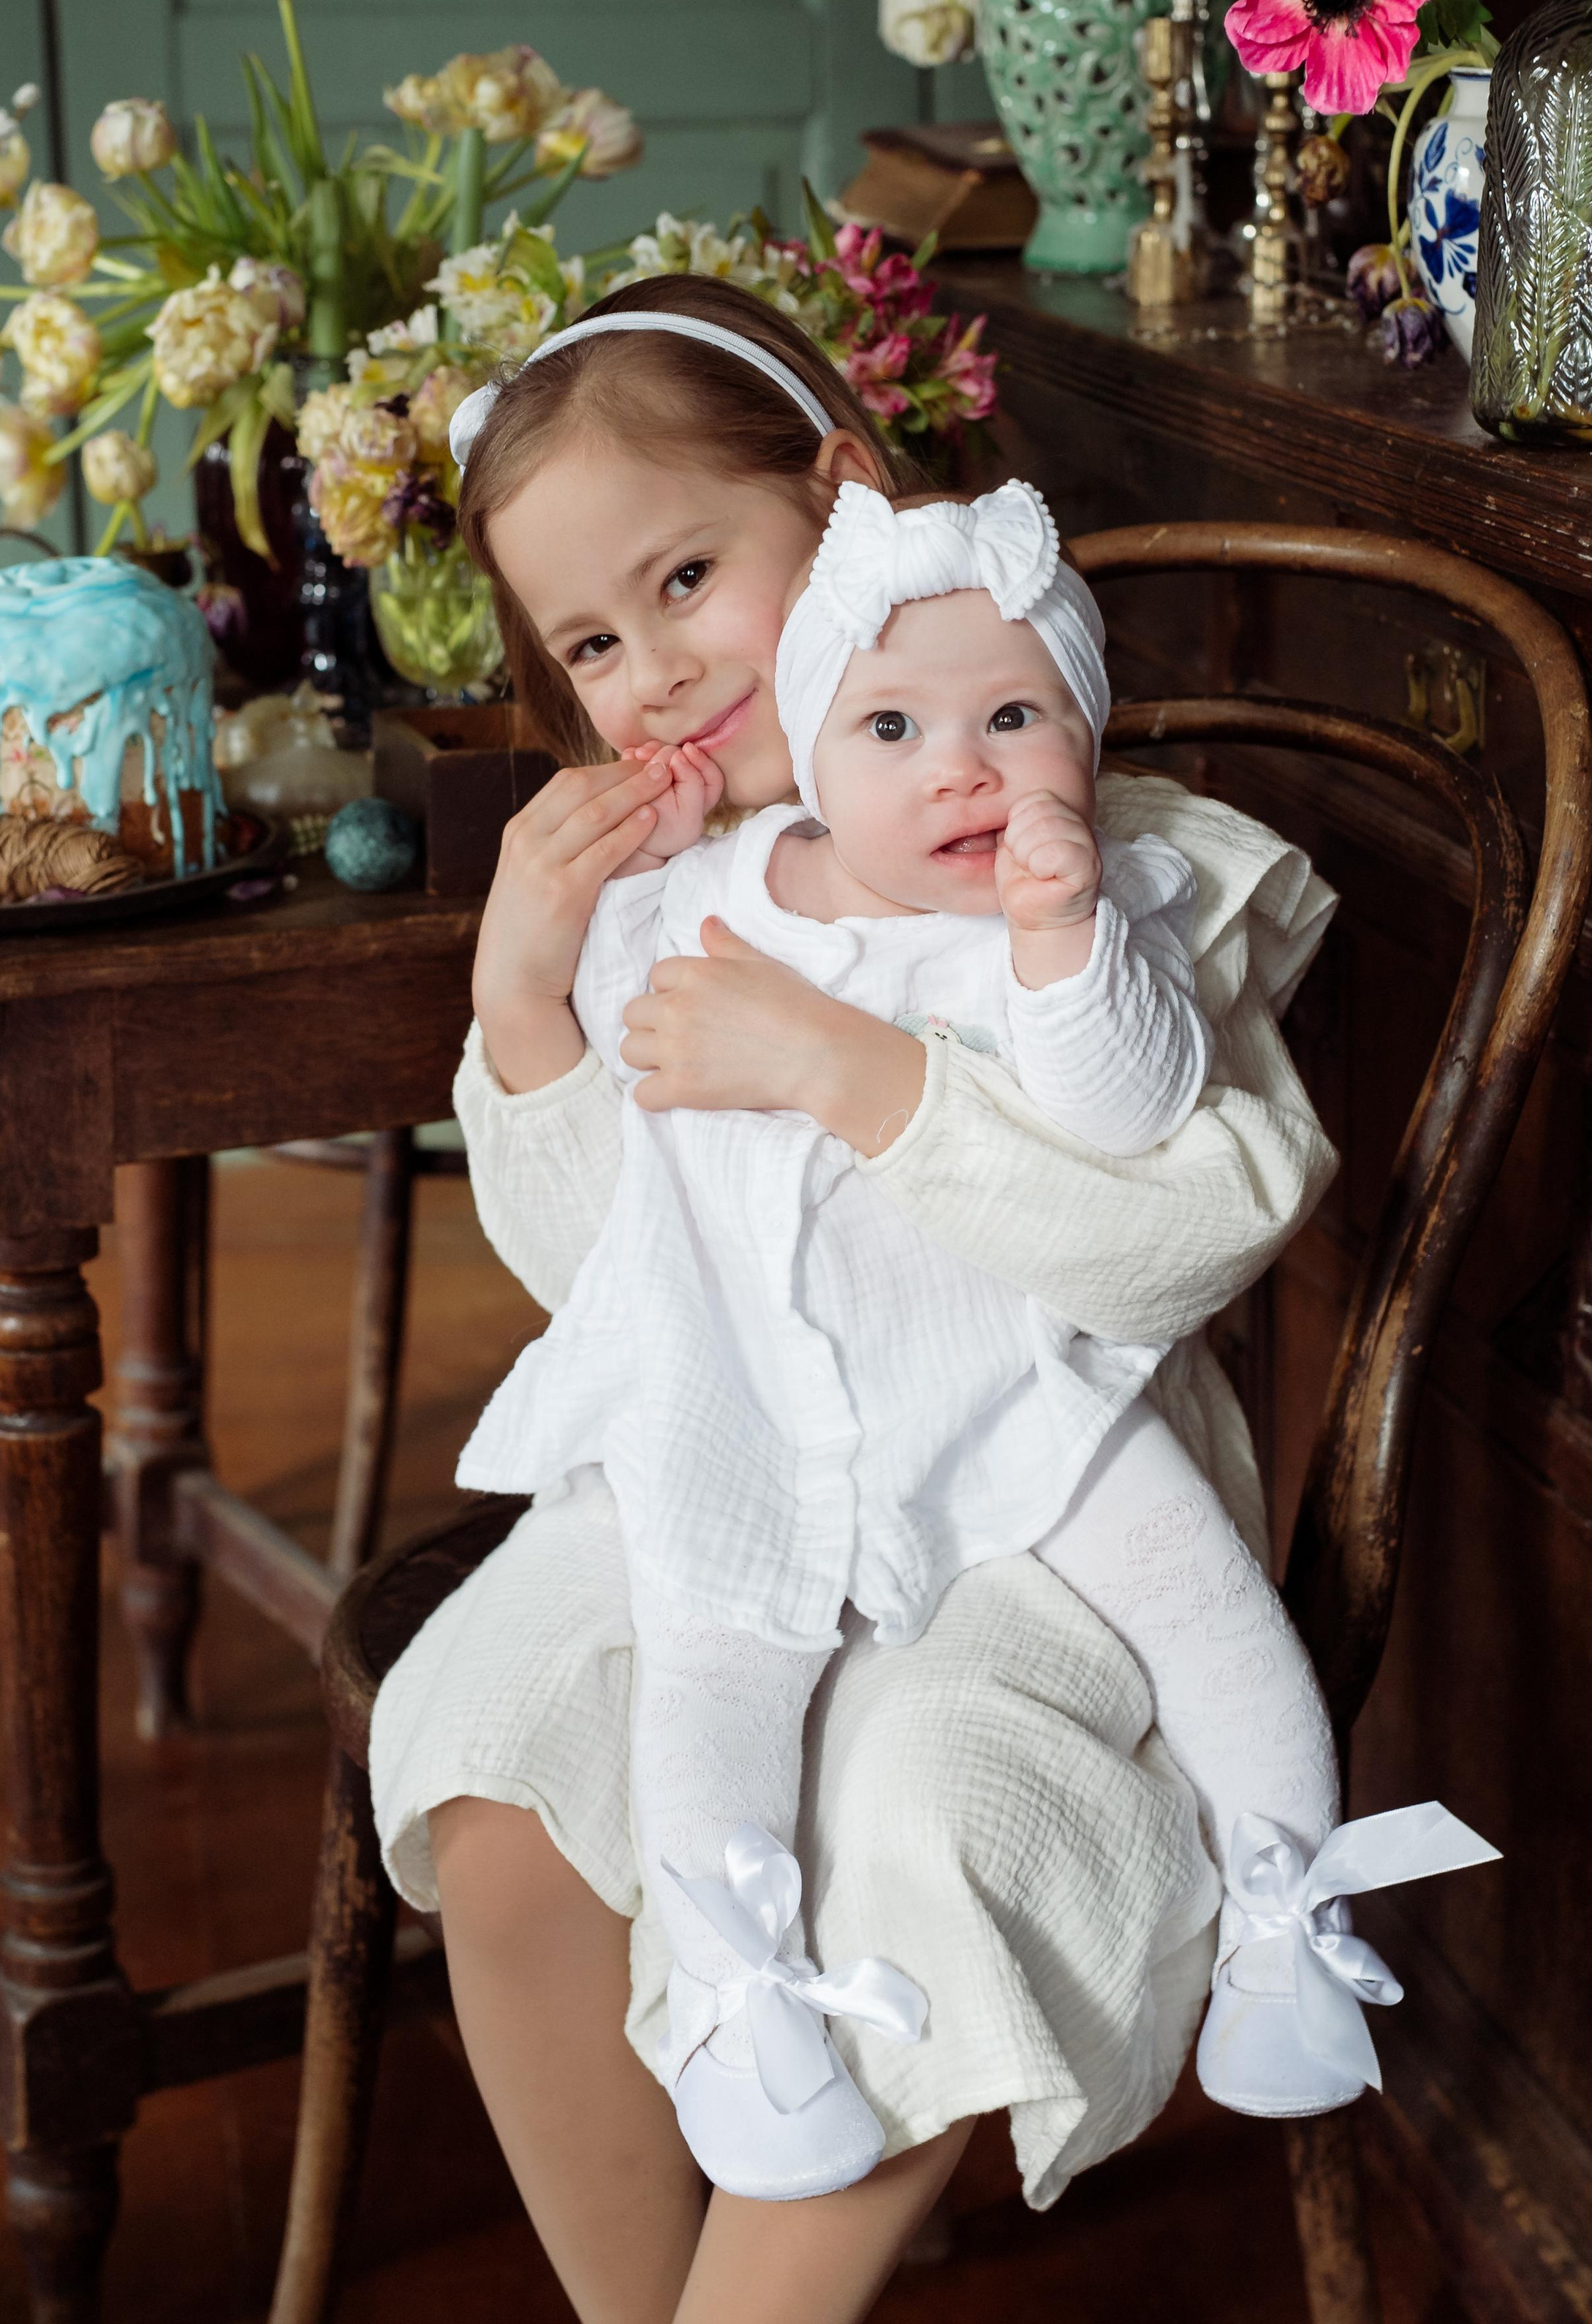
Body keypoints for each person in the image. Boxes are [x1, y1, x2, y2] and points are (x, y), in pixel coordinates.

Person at [367, 277, 1415, 2324]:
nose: (654, 668)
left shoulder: (1070, 849)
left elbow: (1195, 1226)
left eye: (688, 575)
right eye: (592, 640)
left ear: (845, 505)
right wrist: (522, 999)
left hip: (1043, 1487)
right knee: (496, 1775)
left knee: (927, 1823)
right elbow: (610, 1280)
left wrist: (863, 1075)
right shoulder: (660, 917)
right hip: (735, 1463)